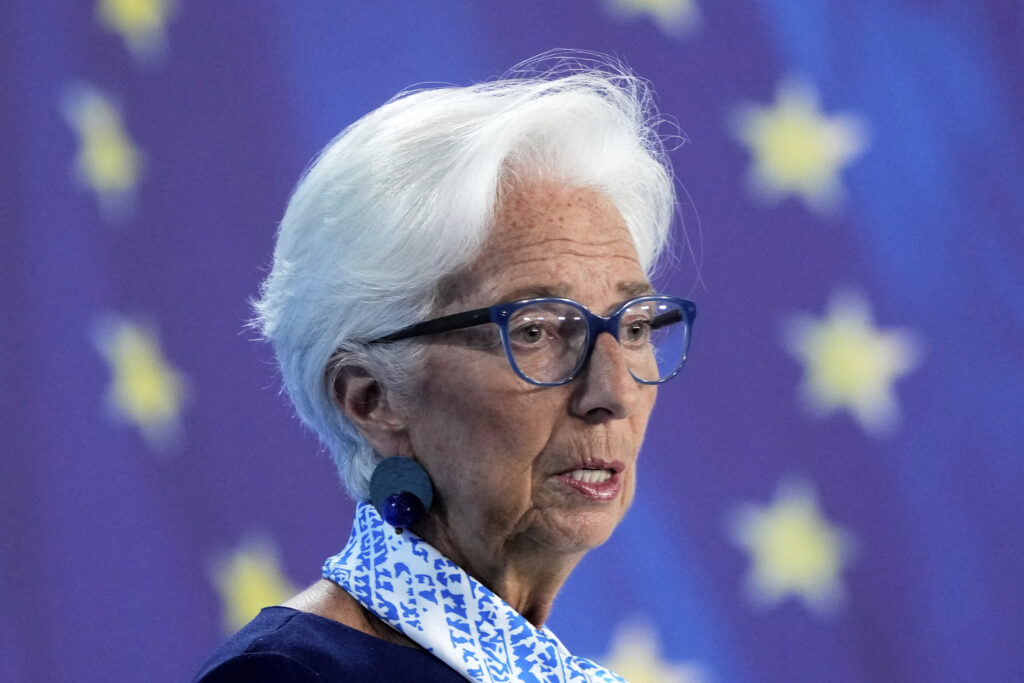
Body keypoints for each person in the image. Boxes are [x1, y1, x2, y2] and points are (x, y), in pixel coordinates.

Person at [194, 53, 697, 682]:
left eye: (634, 327)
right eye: (535, 331)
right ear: (371, 399)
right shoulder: (290, 675)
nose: (613, 390)